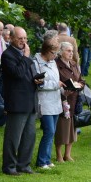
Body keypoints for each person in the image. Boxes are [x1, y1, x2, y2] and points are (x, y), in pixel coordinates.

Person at [1, 27, 43, 175]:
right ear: (11, 38)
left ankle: (24, 165)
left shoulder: (26, 55)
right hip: (17, 102)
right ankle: (9, 167)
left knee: (29, 136)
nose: (23, 42)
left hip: (30, 100)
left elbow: (28, 73)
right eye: (20, 38)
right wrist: (25, 57)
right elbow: (17, 74)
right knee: (14, 137)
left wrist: (38, 80)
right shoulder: (7, 55)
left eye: (25, 38)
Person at [33, 37, 63, 169]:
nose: (55, 56)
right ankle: (41, 161)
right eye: (54, 53)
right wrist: (56, 84)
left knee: (53, 131)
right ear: (46, 51)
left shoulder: (53, 62)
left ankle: (47, 159)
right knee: (49, 131)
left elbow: (57, 78)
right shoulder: (36, 63)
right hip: (44, 101)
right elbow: (39, 84)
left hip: (55, 100)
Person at [55, 41, 85, 161]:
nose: (71, 53)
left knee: (73, 128)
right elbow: (57, 81)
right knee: (62, 128)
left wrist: (79, 85)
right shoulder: (56, 65)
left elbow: (82, 80)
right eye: (68, 50)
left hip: (75, 100)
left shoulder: (74, 64)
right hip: (63, 99)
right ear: (61, 52)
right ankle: (58, 154)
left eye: (72, 51)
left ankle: (67, 154)